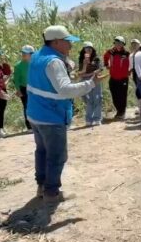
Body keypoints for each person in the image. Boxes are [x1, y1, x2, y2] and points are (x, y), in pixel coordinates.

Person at [27, 25, 106, 202]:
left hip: (35, 114)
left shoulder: (37, 56)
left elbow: (45, 83)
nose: (70, 46)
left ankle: (41, 186)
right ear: (55, 42)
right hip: (51, 116)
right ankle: (51, 192)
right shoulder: (54, 62)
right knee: (57, 155)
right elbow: (64, 90)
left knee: (42, 151)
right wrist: (90, 84)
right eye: (67, 41)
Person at [104, 36, 130, 119]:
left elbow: (132, 62)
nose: (118, 44)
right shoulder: (110, 52)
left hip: (123, 78)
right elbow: (105, 57)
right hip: (113, 77)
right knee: (114, 95)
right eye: (116, 42)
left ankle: (122, 112)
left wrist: (130, 71)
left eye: (120, 43)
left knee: (122, 95)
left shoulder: (127, 53)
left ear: (123, 44)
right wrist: (106, 65)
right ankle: (119, 111)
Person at [78, 42, 104, 126]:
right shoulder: (81, 59)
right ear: (84, 49)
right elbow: (81, 73)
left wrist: (95, 73)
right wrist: (85, 65)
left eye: (90, 48)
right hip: (86, 81)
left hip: (95, 80)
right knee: (88, 100)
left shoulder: (96, 59)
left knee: (97, 98)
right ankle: (88, 119)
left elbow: (100, 69)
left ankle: (97, 118)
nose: (88, 50)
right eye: (86, 48)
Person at [12, 45, 35, 131]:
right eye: (23, 53)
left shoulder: (35, 63)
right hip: (24, 89)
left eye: (26, 53)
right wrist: (18, 90)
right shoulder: (18, 65)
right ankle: (29, 126)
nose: (24, 54)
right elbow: (16, 80)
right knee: (27, 107)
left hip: (35, 87)